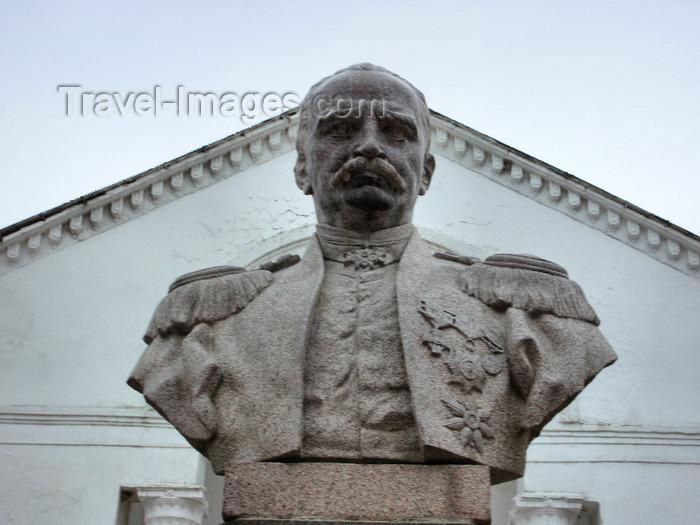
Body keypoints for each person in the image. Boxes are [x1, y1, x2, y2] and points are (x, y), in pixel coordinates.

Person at [128, 64, 616, 483]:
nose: (368, 147)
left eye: (396, 133)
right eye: (339, 130)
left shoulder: (525, 310)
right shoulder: (209, 322)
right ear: (302, 168)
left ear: (425, 172)